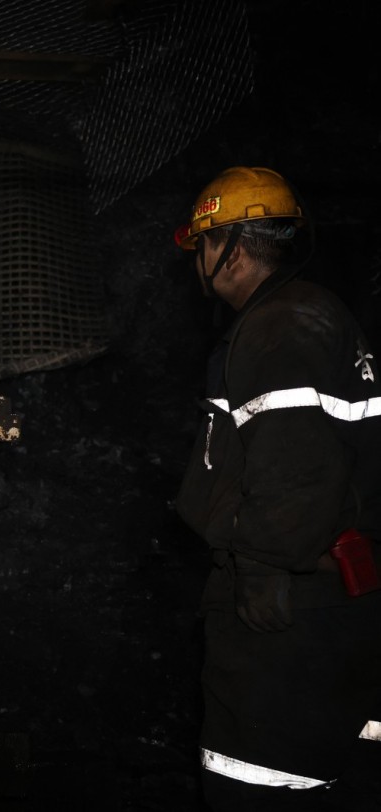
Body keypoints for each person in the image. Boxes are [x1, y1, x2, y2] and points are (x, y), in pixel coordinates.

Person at [174, 166, 381, 810]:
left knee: (257, 786)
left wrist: (262, 565)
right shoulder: (309, 316)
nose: (199, 262)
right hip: (335, 598)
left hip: (293, 610)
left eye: (204, 245)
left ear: (231, 249)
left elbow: (297, 461)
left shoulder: (281, 325)